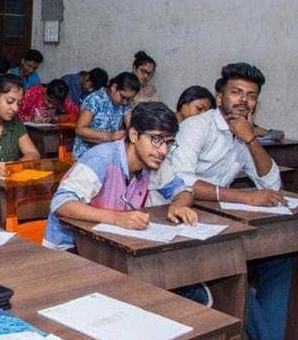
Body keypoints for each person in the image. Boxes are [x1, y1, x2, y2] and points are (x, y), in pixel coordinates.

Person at [156, 62, 293, 340]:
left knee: (281, 259)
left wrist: (251, 139)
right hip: (176, 214)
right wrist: (244, 196)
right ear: (220, 98)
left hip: (219, 220)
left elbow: (271, 184)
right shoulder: (196, 126)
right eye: (236, 92)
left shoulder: (243, 133)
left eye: (251, 96)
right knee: (231, 262)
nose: (243, 100)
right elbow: (183, 180)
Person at [45, 102, 194, 249]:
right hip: (70, 248)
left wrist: (178, 206)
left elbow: (183, 191)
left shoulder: (153, 161)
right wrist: (117, 218)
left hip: (111, 245)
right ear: (134, 135)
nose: (164, 151)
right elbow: (60, 204)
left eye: (169, 143)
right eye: (156, 140)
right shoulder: (102, 158)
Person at [73, 72, 140, 160]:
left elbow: (130, 126)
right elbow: (80, 130)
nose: (125, 102)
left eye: (129, 99)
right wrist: (109, 136)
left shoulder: (124, 104)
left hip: (107, 155)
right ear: (114, 87)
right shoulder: (95, 99)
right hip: (86, 156)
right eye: (123, 97)